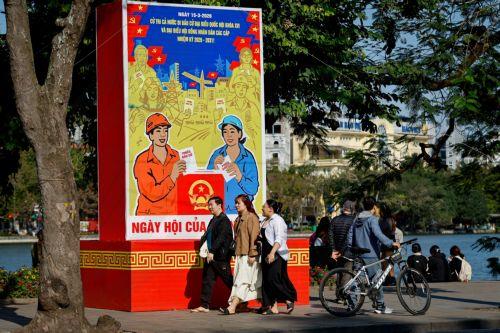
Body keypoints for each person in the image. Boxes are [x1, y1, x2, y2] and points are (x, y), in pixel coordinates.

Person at [345, 196, 400, 314]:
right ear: (374, 207)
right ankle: (380, 307)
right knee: (378, 280)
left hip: (358, 253)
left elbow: (350, 234)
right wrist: (391, 243)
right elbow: (378, 234)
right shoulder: (372, 219)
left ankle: (352, 305)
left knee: (356, 281)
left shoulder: (356, 218)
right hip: (371, 255)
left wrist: (351, 246)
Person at [133, 113, 186, 215]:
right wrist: (172, 177)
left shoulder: (177, 156)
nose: (163, 134)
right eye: (158, 131)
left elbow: (186, 184)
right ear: (151, 135)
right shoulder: (142, 160)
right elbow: (151, 193)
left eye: (165, 130)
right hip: (150, 217)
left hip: (173, 217)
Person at [207, 115, 259, 214]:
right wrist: (214, 169)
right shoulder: (216, 155)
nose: (229, 135)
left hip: (242, 213)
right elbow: (206, 185)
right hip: (220, 212)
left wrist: (239, 176)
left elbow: (253, 189)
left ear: (239, 134)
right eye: (225, 132)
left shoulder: (248, 157)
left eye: (232, 131)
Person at [191, 197, 234, 313]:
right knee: (207, 280)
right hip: (211, 256)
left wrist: (213, 251)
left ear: (219, 205)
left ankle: (240, 301)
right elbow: (208, 235)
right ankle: (205, 305)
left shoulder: (224, 220)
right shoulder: (214, 219)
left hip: (220, 257)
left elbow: (221, 238)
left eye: (211, 204)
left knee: (229, 281)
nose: (209, 207)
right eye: (208, 205)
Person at [221, 194, 261, 315]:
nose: (236, 205)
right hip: (240, 254)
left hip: (248, 255)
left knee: (242, 281)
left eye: (239, 203)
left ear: (246, 204)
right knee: (239, 281)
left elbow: (254, 237)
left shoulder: (251, 218)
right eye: (236, 203)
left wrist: (252, 254)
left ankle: (232, 307)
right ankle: (242, 305)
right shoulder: (238, 219)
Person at [259, 199, 297, 315]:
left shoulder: (278, 221)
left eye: (264, 207)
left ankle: (289, 297)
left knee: (274, 279)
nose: (262, 208)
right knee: (266, 281)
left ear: (270, 209)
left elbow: (279, 239)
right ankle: (271, 306)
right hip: (265, 254)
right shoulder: (264, 220)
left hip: (277, 254)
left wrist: (272, 253)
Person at [377, 203, 397, 286]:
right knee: (387, 262)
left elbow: (382, 231)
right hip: (390, 242)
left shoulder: (384, 220)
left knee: (386, 262)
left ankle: (391, 279)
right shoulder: (391, 219)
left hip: (387, 243)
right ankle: (390, 279)